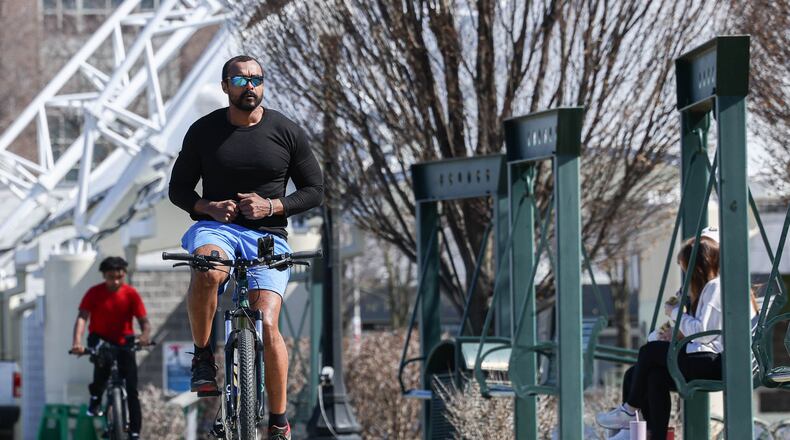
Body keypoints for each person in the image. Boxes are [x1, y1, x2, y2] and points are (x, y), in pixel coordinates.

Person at [168, 54, 323, 440]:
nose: (249, 86)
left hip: (268, 235)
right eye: (239, 80)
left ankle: (278, 420)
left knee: (267, 322)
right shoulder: (203, 132)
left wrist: (273, 205)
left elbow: (315, 190)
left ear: (263, 85)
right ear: (225, 87)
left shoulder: (286, 131)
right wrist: (208, 206)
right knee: (208, 267)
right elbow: (178, 190)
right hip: (216, 229)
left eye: (256, 79)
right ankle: (204, 358)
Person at [596, 231, 757, 440]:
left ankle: (629, 411)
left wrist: (675, 313)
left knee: (649, 352)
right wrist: (674, 333)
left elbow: (702, 334)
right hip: (714, 358)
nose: (685, 274)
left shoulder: (715, 288)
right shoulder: (714, 289)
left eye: (686, 268)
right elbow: (705, 331)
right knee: (652, 376)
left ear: (698, 267)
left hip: (720, 362)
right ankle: (651, 434)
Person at [70, 256, 151, 440]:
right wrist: (77, 342)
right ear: (104, 276)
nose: (115, 281)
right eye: (110, 277)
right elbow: (82, 317)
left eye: (119, 277)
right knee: (101, 373)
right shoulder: (94, 293)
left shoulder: (131, 294)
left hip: (125, 342)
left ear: (123, 275)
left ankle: (135, 431)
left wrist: (145, 337)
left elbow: (144, 322)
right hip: (100, 340)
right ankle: (96, 398)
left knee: (132, 389)